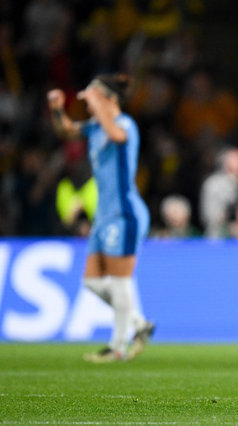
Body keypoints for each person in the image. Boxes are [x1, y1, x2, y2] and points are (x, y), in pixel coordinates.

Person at [47, 75, 155, 362]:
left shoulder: (124, 125)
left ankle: (118, 347)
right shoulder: (95, 126)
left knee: (120, 282)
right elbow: (67, 130)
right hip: (104, 216)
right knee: (92, 282)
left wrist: (100, 105)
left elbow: (117, 137)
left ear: (110, 99)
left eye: (95, 97)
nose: (89, 103)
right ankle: (138, 322)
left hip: (125, 214)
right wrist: (58, 108)